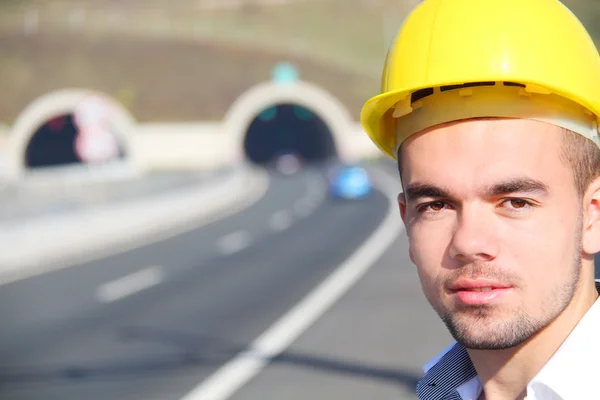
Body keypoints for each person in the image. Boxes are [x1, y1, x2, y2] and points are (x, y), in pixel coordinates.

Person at [359, 1, 600, 399]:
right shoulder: (442, 389)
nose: (469, 242)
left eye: (514, 202)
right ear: (406, 220)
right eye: (435, 205)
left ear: (593, 216)